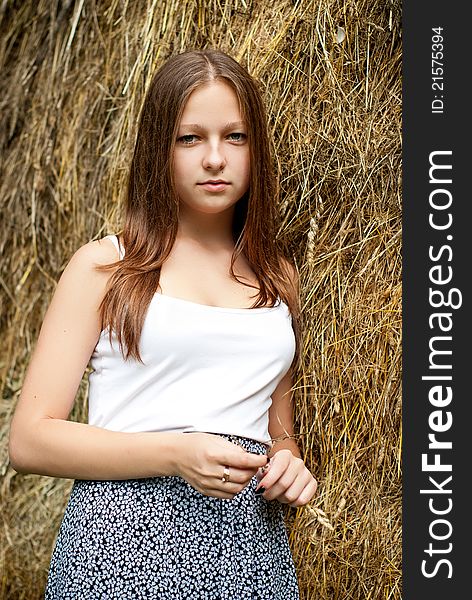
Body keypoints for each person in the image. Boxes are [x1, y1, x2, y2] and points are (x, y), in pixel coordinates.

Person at [8, 49, 318, 599]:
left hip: (250, 553)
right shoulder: (106, 268)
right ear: (159, 148)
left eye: (236, 137)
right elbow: (31, 440)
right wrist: (175, 453)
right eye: (190, 138)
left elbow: (278, 429)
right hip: (119, 547)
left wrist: (288, 462)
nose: (216, 158)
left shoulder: (278, 281)